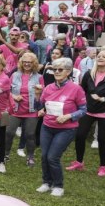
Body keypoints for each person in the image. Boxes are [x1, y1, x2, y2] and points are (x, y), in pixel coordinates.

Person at [66, 49, 105, 177]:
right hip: (89, 110)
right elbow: (82, 90)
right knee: (80, 135)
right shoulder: (89, 74)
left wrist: (103, 99)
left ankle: (103, 166)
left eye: (104, 56)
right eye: (99, 56)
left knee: (102, 139)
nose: (100, 58)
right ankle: (79, 162)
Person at [36, 57, 88, 197]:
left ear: (69, 71)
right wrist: (41, 109)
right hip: (47, 126)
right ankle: (47, 183)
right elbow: (42, 106)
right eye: (54, 69)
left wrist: (69, 116)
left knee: (52, 157)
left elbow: (83, 110)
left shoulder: (76, 89)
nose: (57, 72)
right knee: (44, 156)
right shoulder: (48, 88)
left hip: (66, 129)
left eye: (60, 69)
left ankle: (58, 185)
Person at [4, 51, 42, 167]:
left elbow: (42, 97)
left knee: (30, 134)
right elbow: (6, 91)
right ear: (21, 63)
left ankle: (30, 156)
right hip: (15, 110)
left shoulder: (39, 77)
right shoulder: (14, 75)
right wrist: (14, 96)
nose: (27, 64)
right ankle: (5, 154)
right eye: (25, 62)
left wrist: (38, 94)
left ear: (34, 63)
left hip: (31, 111)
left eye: (29, 62)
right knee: (8, 132)